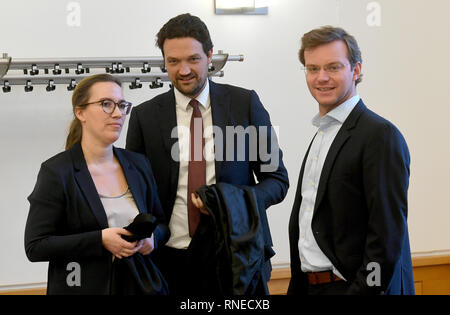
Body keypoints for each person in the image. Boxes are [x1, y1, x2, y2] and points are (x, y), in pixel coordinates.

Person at [126, 13, 289, 295]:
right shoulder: (144, 117)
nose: (184, 70)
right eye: (173, 61)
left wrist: (229, 202)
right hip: (168, 262)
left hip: (238, 259)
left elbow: (277, 180)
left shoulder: (245, 103)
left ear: (210, 55)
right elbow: (134, 192)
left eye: (193, 59)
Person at [288, 26, 414, 295]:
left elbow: (386, 237)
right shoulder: (323, 133)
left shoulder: (380, 135)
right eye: (312, 69)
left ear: (355, 70)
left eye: (333, 67)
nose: (321, 78)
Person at [24, 74, 169, 294]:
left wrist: (153, 237)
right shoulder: (57, 172)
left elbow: (162, 223)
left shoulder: (138, 164)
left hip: (140, 286)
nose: (118, 113)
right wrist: (100, 240)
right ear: (80, 112)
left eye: (121, 105)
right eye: (106, 104)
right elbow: (36, 246)